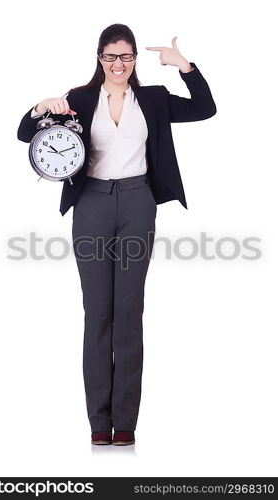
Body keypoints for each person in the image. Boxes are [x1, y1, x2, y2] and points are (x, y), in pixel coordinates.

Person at [17, 23, 217, 447]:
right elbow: (24, 133)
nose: (118, 64)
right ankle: (98, 423)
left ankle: (125, 422)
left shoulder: (153, 99)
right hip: (90, 202)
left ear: (134, 60)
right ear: (99, 58)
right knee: (98, 314)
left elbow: (205, 108)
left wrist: (184, 65)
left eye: (126, 56)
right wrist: (42, 106)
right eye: (111, 56)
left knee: (129, 313)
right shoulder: (79, 98)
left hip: (136, 202)